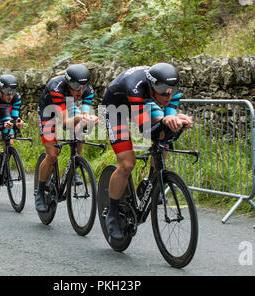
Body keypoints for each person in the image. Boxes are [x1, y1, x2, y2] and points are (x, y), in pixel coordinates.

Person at [102, 63, 193, 241]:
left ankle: (150, 182)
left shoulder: (171, 91)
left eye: (171, 91)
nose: (167, 95)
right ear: (151, 87)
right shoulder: (135, 87)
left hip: (144, 102)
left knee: (166, 134)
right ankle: (112, 212)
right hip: (116, 107)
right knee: (127, 164)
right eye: (162, 91)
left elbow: (167, 120)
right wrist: (165, 120)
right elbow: (145, 130)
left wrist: (177, 121)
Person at [35, 64, 98, 212]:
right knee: (52, 155)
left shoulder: (86, 91)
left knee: (80, 127)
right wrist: (79, 117)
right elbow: (65, 122)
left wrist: (88, 119)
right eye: (75, 86)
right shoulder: (56, 87)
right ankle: (40, 191)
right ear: (68, 82)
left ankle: (75, 162)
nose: (80, 91)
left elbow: (84, 115)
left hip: (68, 105)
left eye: (83, 87)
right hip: (48, 110)